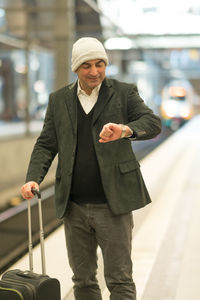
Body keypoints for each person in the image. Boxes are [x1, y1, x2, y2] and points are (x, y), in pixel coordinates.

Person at [21, 37, 161, 300]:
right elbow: (46, 144)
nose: (95, 71)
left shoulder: (123, 92)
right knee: (83, 280)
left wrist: (125, 130)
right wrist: (33, 178)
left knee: (119, 280)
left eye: (100, 64)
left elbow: (152, 122)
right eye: (87, 65)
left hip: (113, 204)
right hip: (74, 207)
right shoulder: (59, 100)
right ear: (76, 67)